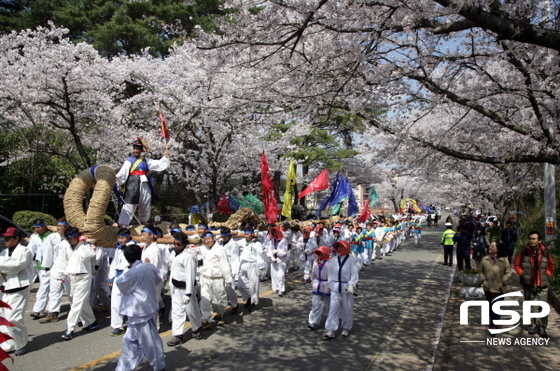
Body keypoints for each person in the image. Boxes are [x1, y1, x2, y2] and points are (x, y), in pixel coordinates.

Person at [116, 244, 165, 371]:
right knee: (130, 341)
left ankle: (159, 366)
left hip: (140, 312)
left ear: (126, 258)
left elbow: (122, 286)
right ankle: (124, 367)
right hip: (146, 308)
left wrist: (127, 269)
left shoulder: (131, 272)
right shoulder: (148, 267)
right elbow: (158, 277)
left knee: (150, 342)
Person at [116, 138, 170, 227]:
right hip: (133, 183)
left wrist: (165, 157)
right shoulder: (129, 161)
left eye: (138, 149)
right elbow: (122, 173)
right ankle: (123, 223)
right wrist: (116, 179)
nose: (136, 150)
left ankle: (143, 220)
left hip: (144, 183)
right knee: (130, 202)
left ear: (141, 150)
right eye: (134, 148)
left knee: (146, 201)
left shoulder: (146, 160)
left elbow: (158, 164)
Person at [59, 227, 98, 341]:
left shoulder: (85, 246)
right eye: (67, 239)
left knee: (76, 303)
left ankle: (69, 328)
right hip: (72, 276)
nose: (69, 241)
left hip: (83, 277)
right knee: (82, 302)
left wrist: (86, 241)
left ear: (77, 236)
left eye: (71, 238)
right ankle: (92, 322)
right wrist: (59, 277)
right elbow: (62, 261)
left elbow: (87, 256)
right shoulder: (65, 246)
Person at [514, 231, 555, 338]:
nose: (531, 241)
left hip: (542, 282)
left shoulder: (545, 252)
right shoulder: (523, 252)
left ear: (539, 240)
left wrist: (548, 273)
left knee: (543, 305)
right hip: (528, 282)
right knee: (529, 304)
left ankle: (541, 326)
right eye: (530, 238)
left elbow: (551, 264)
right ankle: (532, 324)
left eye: (534, 239)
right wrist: (522, 274)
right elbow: (517, 264)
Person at [0, 227, 34, 356]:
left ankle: (21, 343)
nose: (5, 240)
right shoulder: (3, 252)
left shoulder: (24, 251)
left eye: (8, 238)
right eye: (5, 237)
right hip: (4, 288)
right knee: (3, 318)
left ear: (16, 238)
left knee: (13, 318)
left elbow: (15, 267)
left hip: (19, 289)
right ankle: (8, 343)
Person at [167, 232, 202, 346]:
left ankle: (196, 328)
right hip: (176, 287)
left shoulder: (189, 256)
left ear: (185, 244)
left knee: (192, 310)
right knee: (177, 311)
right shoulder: (174, 253)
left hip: (187, 288)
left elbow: (190, 275)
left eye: (179, 244)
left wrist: (188, 293)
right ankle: (177, 335)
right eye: (175, 244)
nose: (176, 246)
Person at [324, 241, 359, 339]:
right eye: (338, 247)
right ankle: (331, 329)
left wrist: (352, 284)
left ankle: (346, 328)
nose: (339, 249)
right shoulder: (334, 259)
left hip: (346, 288)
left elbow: (354, 273)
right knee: (333, 308)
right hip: (335, 287)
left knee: (347, 309)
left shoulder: (351, 260)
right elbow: (330, 273)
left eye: (342, 247)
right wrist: (329, 284)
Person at [199, 231, 232, 328]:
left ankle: (220, 314)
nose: (207, 241)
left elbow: (224, 265)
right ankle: (206, 320)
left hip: (217, 278)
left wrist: (228, 280)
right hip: (205, 278)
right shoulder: (202, 249)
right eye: (205, 239)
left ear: (213, 238)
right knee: (205, 300)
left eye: (209, 239)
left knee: (220, 299)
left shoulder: (220, 249)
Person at [108, 228, 135, 336]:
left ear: (128, 237)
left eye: (123, 238)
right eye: (119, 237)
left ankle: (133, 324)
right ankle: (117, 326)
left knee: (130, 302)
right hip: (118, 277)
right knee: (115, 303)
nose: (120, 240)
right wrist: (111, 277)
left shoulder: (133, 247)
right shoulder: (118, 248)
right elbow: (114, 263)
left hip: (129, 277)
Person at [479, 242, 511, 332]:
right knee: (490, 306)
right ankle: (492, 321)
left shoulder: (504, 260)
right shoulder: (484, 259)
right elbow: (480, 271)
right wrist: (483, 279)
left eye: (492, 246)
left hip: (499, 288)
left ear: (497, 249)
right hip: (488, 287)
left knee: (496, 307)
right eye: (490, 246)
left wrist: (504, 279)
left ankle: (494, 325)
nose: (490, 247)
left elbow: (509, 272)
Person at [28, 218, 55, 320]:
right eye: (35, 228)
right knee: (45, 287)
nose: (36, 230)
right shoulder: (35, 238)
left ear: (44, 226)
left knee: (48, 289)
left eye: (38, 227)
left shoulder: (52, 236)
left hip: (52, 266)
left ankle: (39, 310)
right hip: (40, 266)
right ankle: (44, 308)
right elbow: (30, 251)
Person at [238, 228, 265, 312]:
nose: (246, 236)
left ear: (252, 234)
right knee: (241, 285)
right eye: (245, 234)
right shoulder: (242, 242)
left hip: (253, 265)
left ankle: (252, 302)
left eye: (248, 234)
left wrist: (260, 268)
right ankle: (248, 297)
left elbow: (260, 256)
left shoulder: (257, 243)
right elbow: (234, 243)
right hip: (243, 265)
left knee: (253, 285)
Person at [307, 246, 331, 331]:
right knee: (315, 304)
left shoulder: (330, 263)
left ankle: (331, 324)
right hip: (317, 285)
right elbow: (313, 273)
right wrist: (313, 282)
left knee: (329, 305)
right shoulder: (316, 261)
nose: (319, 255)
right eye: (318, 253)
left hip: (327, 285)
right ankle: (313, 322)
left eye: (321, 253)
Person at [219, 227, 240, 314]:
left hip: (230, 269)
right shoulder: (220, 243)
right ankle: (221, 308)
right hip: (220, 269)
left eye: (225, 236)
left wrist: (234, 271)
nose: (223, 238)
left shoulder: (233, 244)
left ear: (229, 235)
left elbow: (235, 259)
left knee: (230, 289)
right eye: (222, 236)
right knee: (221, 289)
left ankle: (235, 304)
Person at [267, 225, 289, 296]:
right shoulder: (273, 240)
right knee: (273, 274)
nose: (275, 233)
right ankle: (275, 288)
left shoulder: (284, 240)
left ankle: (281, 289)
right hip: (273, 260)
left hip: (281, 260)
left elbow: (283, 252)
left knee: (280, 275)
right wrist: (271, 256)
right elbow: (269, 249)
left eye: (276, 232)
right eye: (274, 232)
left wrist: (277, 252)